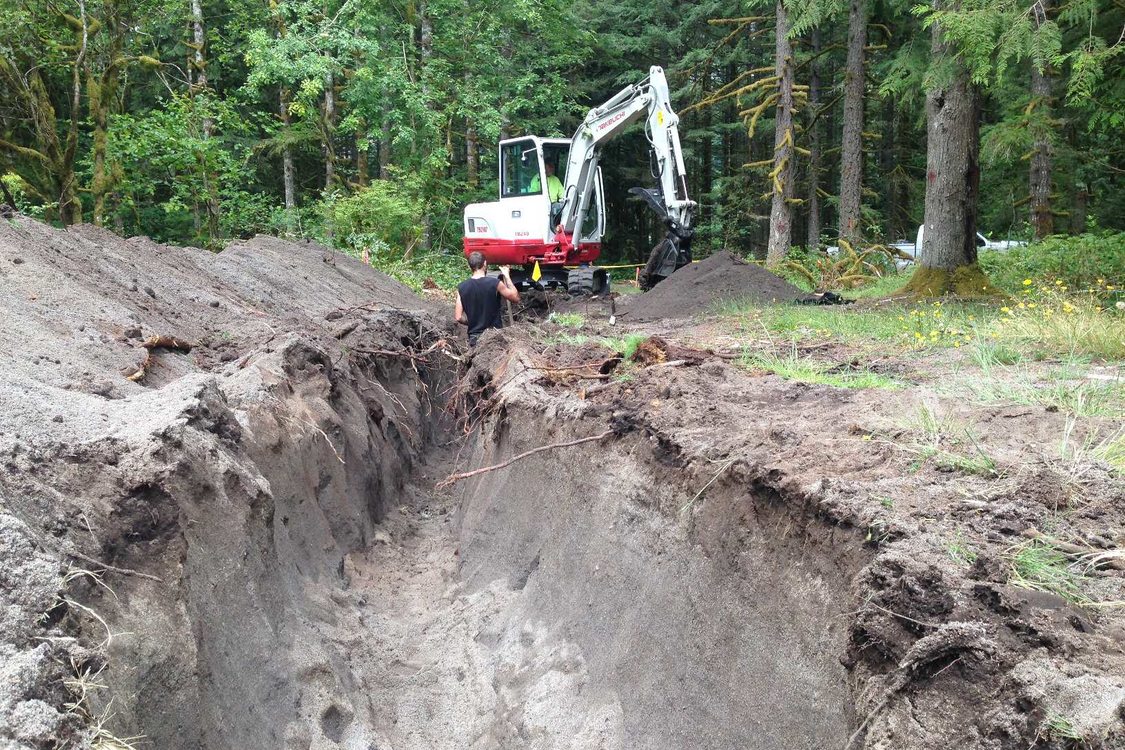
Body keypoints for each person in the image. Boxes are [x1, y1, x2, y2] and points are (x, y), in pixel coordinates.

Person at [454, 251, 520, 346]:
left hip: (474, 338)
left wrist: (472, 323)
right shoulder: (495, 283)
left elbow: (458, 317)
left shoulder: (462, 287)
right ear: (484, 263)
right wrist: (507, 276)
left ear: (470, 266)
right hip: (494, 337)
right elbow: (515, 298)